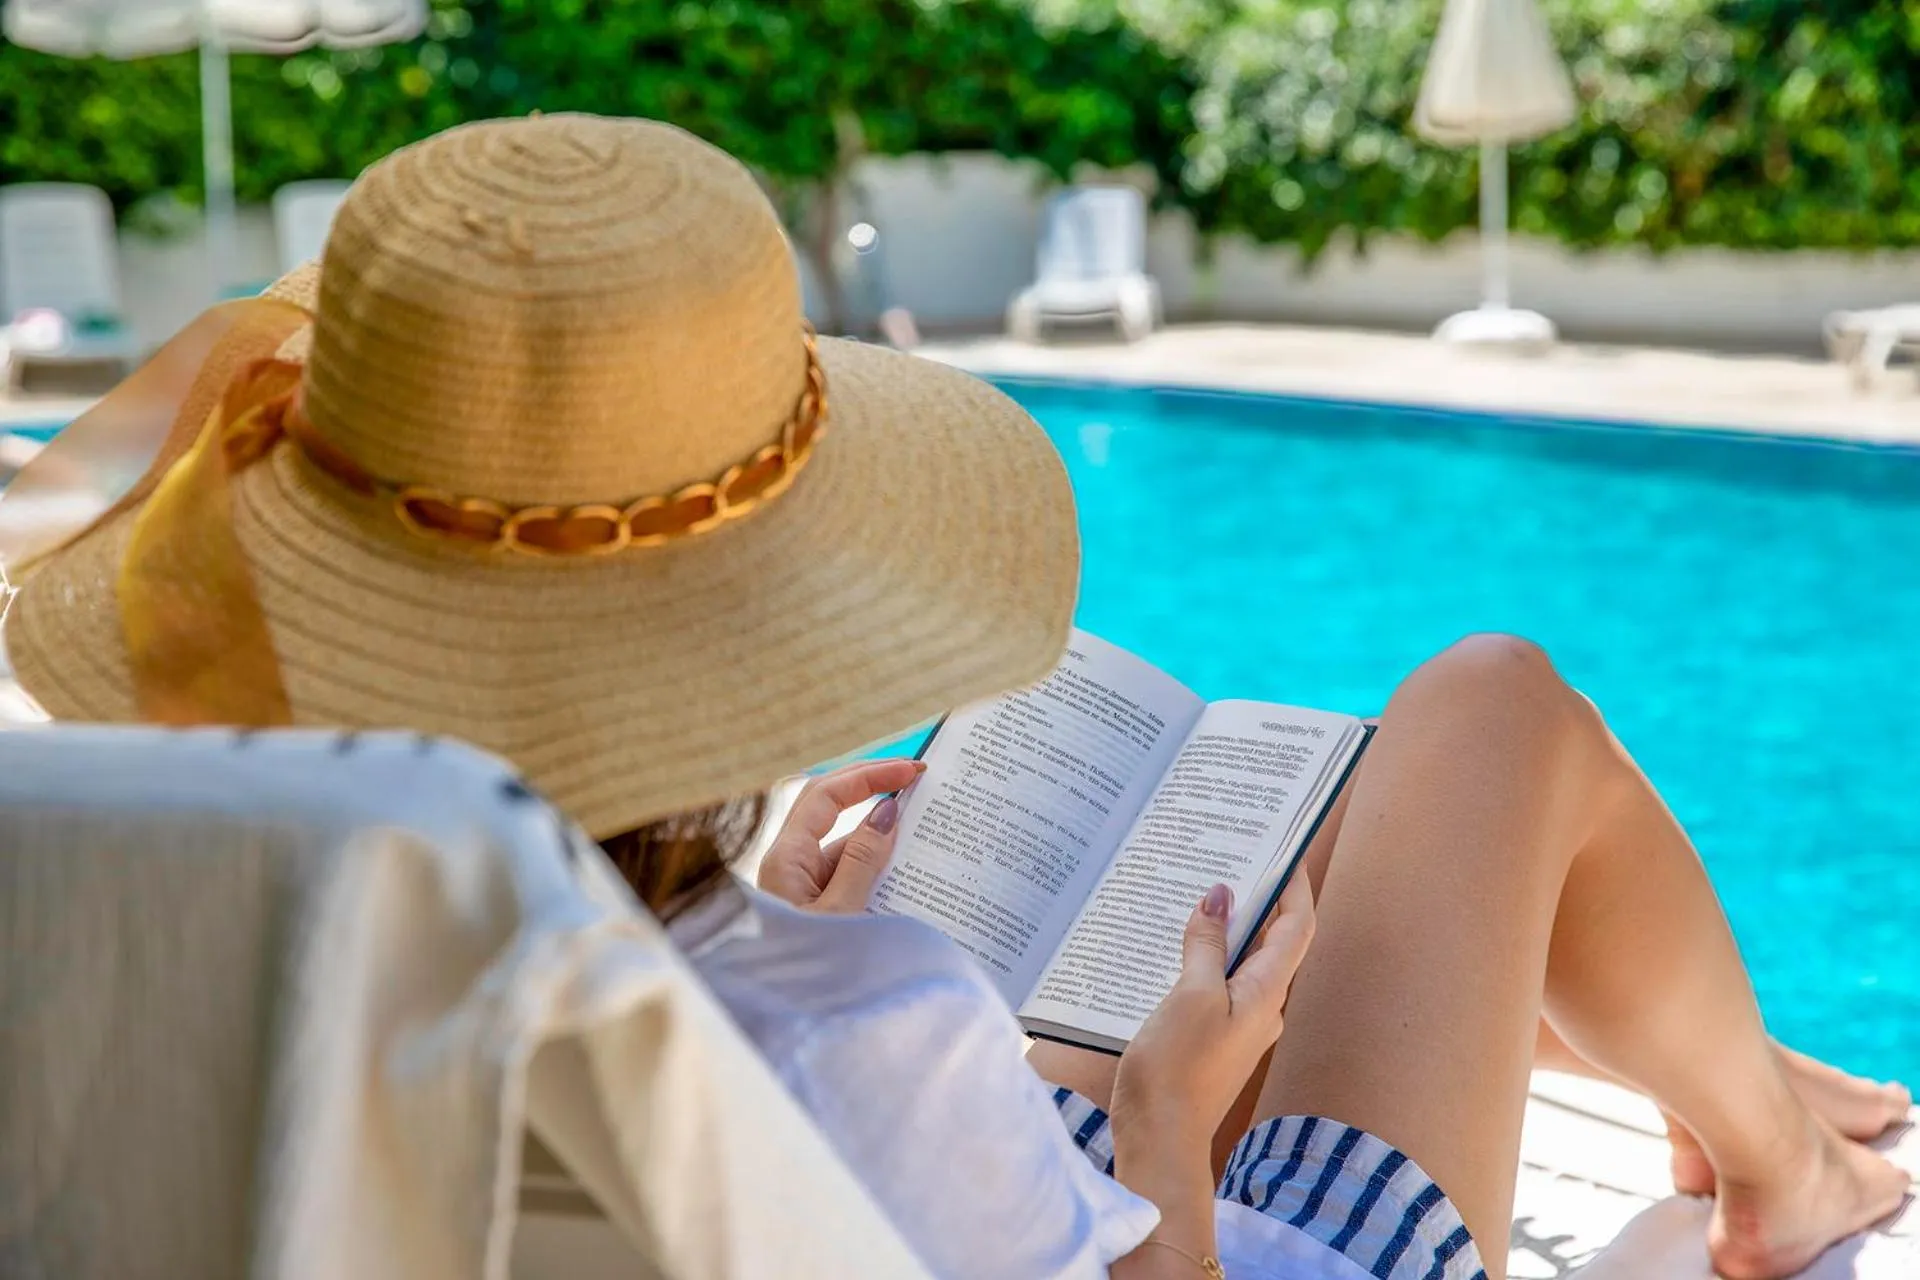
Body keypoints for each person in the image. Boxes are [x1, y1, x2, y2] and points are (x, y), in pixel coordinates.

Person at [3, 114, 1906, 1280]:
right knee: (1485, 710)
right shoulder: (858, 1026)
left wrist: (793, 950)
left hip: (920, 1187)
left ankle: (1711, 1075)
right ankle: (1777, 1166)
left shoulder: (184, 952)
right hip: (1185, 1246)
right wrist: (1165, 1132)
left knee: (1245, 906)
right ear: (764, 622)